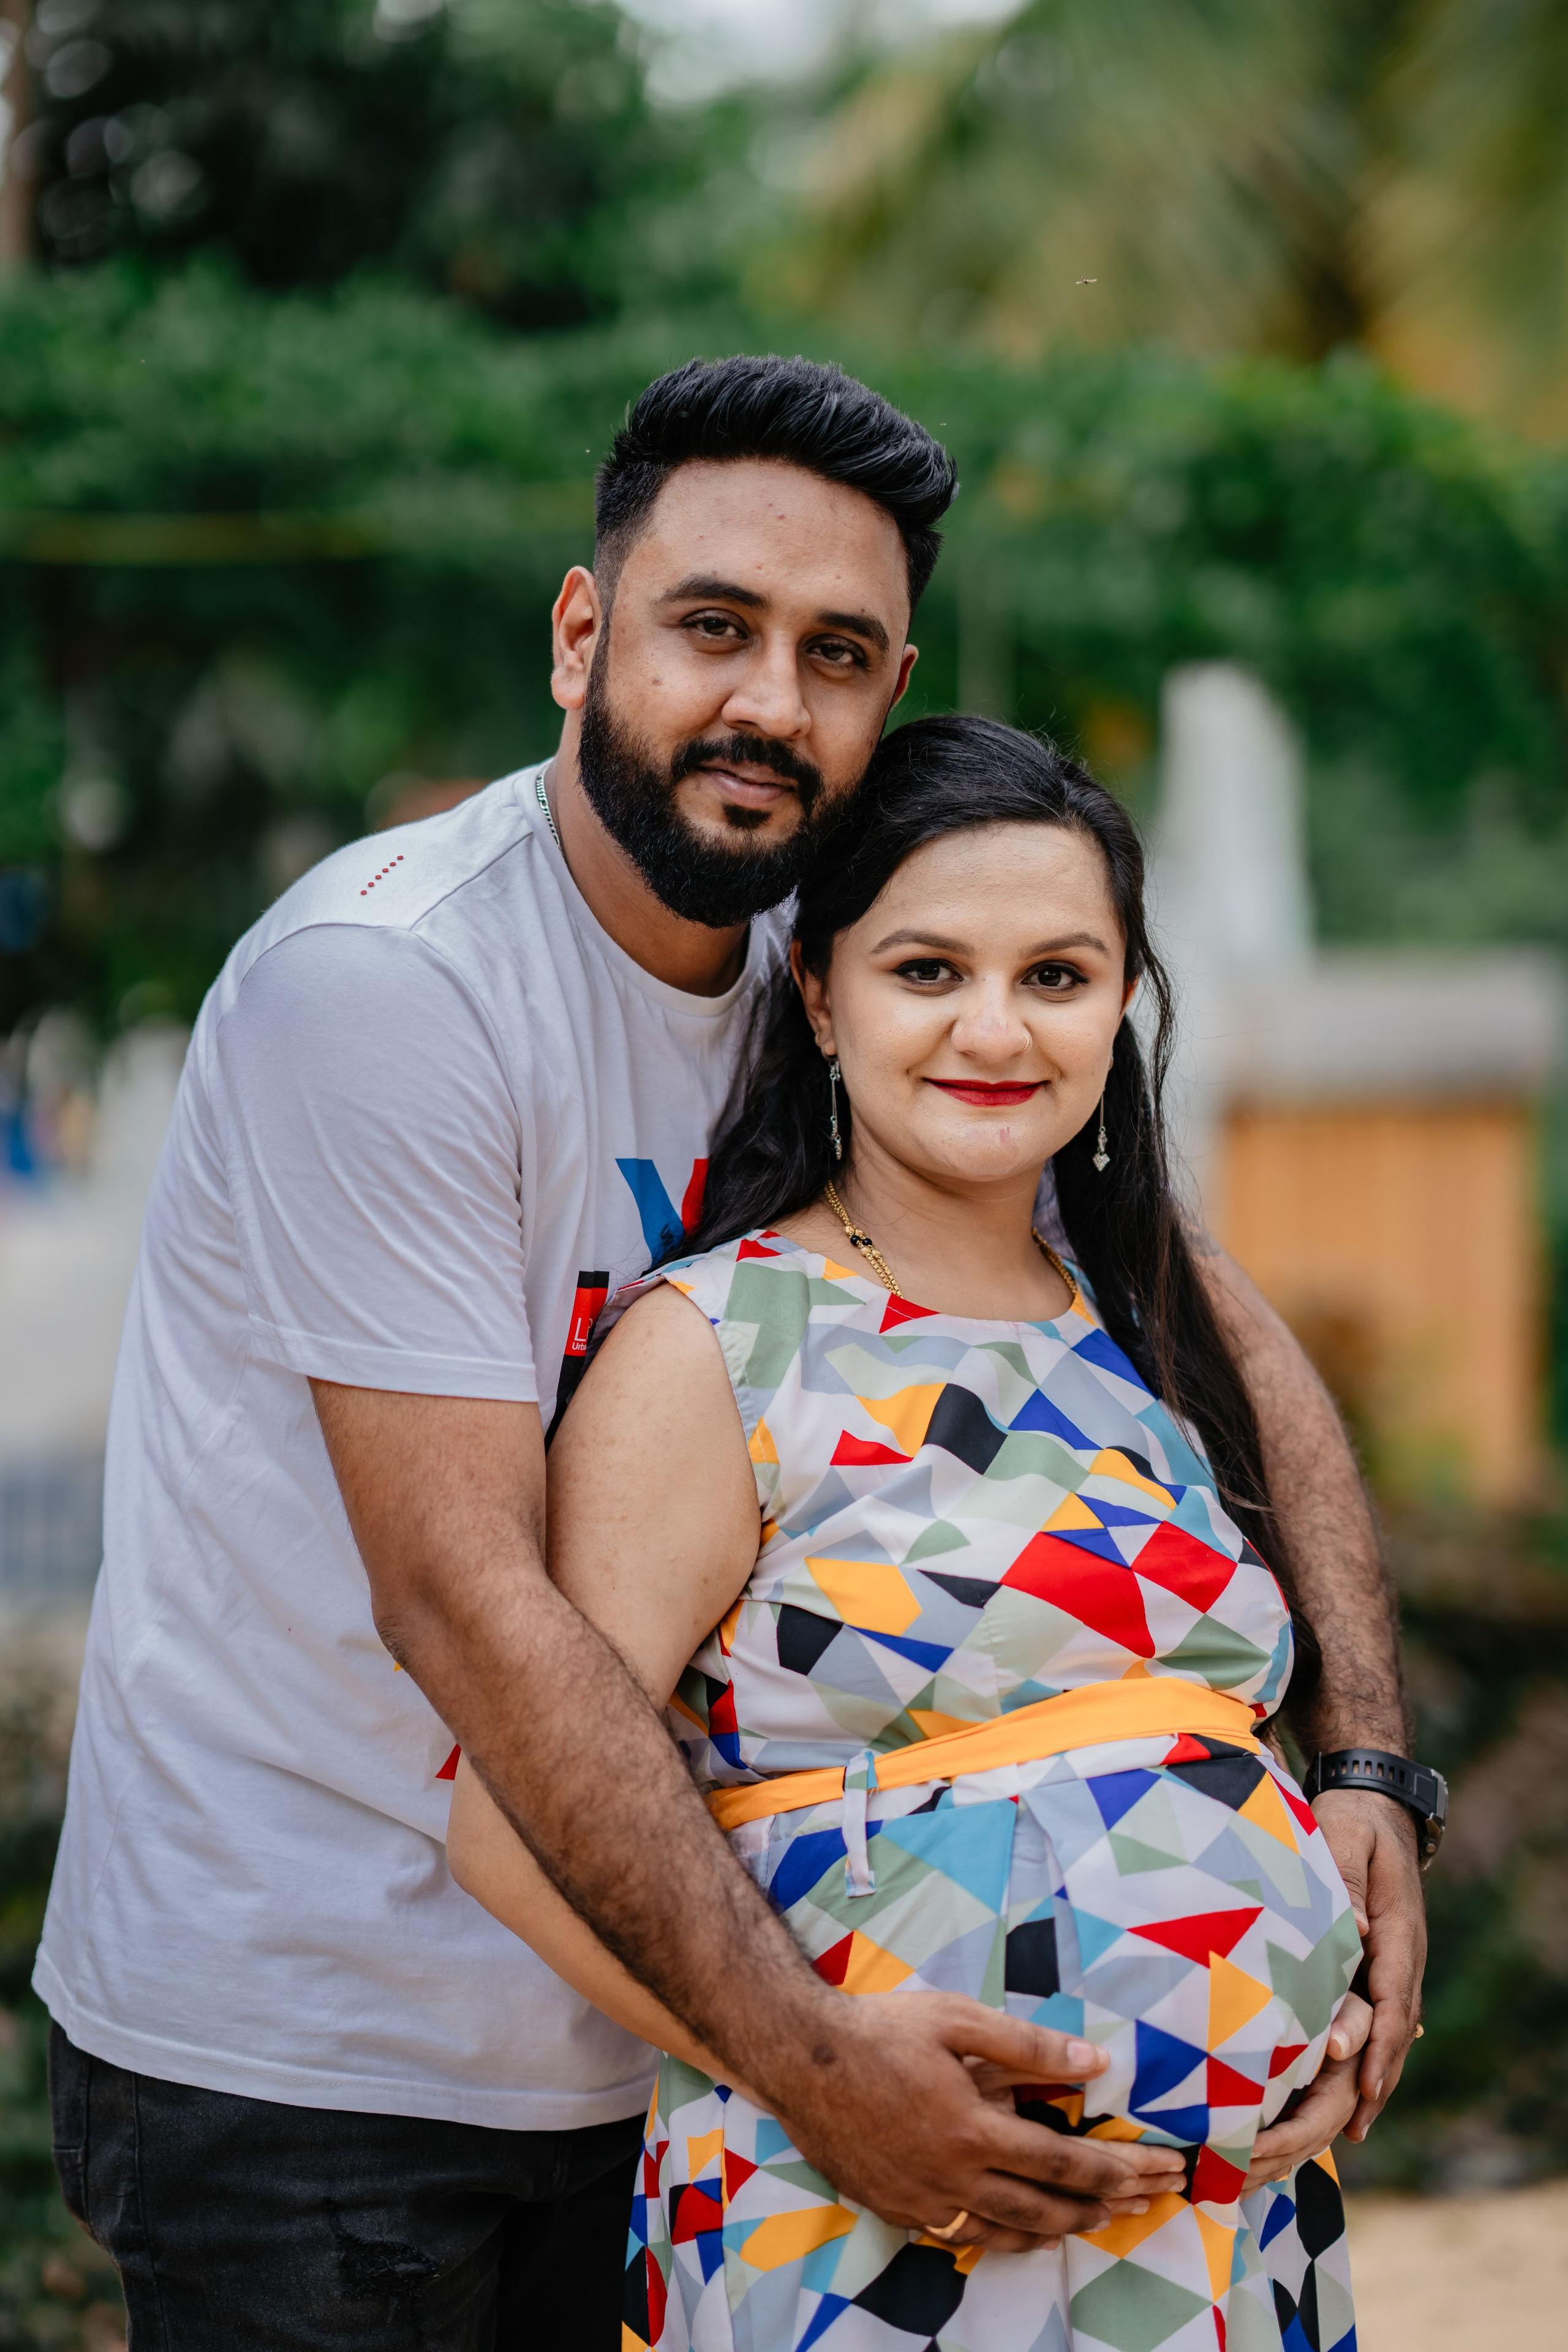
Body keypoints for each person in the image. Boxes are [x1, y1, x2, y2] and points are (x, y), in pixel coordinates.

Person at [34, 354, 1414, 2348]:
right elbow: (462, 1597)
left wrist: (1363, 1763)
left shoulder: (843, 954)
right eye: (712, 628)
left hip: (665, 2055)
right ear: (581, 636)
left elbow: (1196, 1304)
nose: (771, 698)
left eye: (837, 653)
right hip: (331, 2053)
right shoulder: (395, 989)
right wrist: (816, 2061)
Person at [449, 714, 1371, 2351]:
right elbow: (510, 1831)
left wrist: (1349, 1897)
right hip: (868, 2246)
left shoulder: (1150, 1320)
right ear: (820, 994)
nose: (996, 1031)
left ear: (1126, 1003)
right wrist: (816, 2073)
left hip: (1225, 2257)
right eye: (929, 971)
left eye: (1059, 977)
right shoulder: (729, 1346)